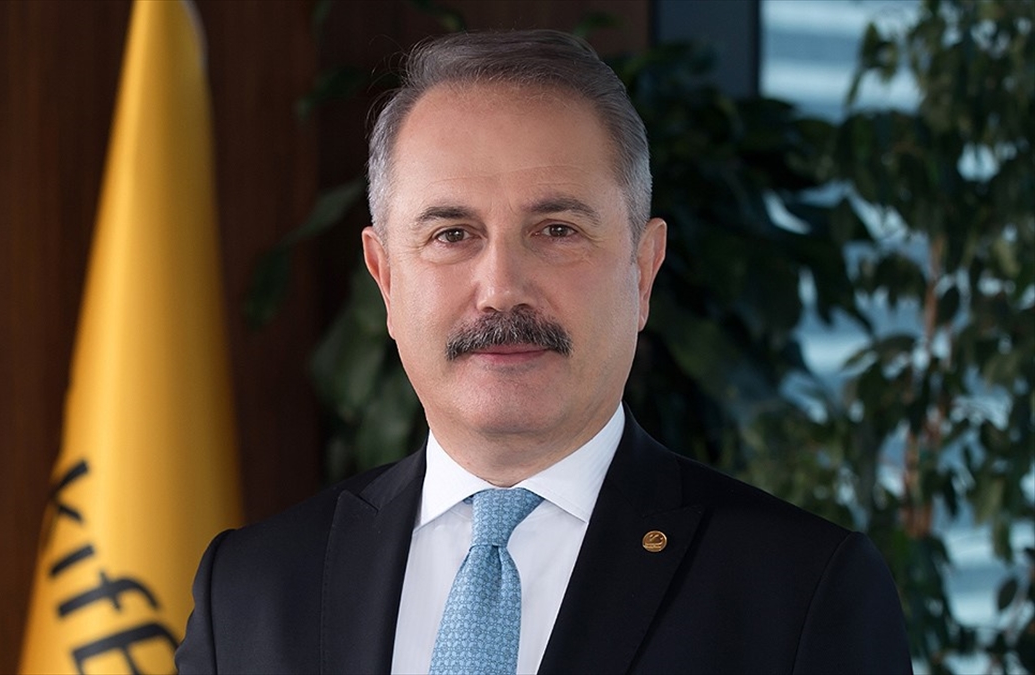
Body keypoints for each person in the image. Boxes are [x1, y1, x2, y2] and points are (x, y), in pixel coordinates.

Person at [176, 29, 912, 674]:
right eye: (452, 235)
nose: (501, 289)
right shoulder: (250, 588)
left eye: (557, 230)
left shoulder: (803, 591)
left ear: (643, 270)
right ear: (386, 278)